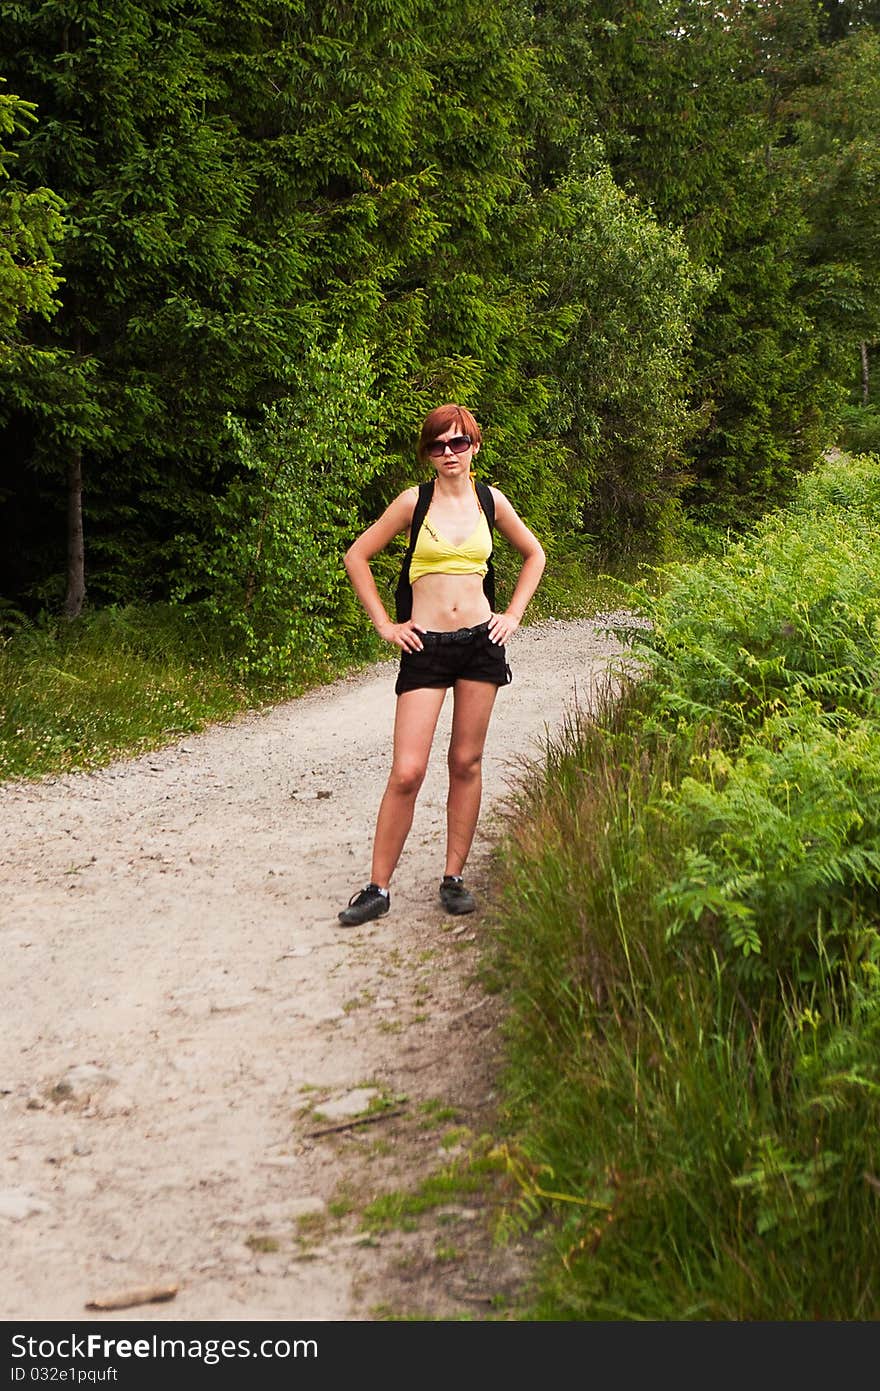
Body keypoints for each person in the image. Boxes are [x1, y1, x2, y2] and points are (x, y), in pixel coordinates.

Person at [337, 403, 546, 926]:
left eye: (458, 443)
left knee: (466, 762)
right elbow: (356, 556)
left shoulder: (490, 502)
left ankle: (453, 878)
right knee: (407, 771)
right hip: (425, 646)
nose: (448, 453)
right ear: (427, 452)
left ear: (474, 445)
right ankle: (377, 888)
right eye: (438, 445)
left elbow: (534, 554)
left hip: (480, 643)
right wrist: (387, 625)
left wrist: (513, 614)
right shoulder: (414, 502)